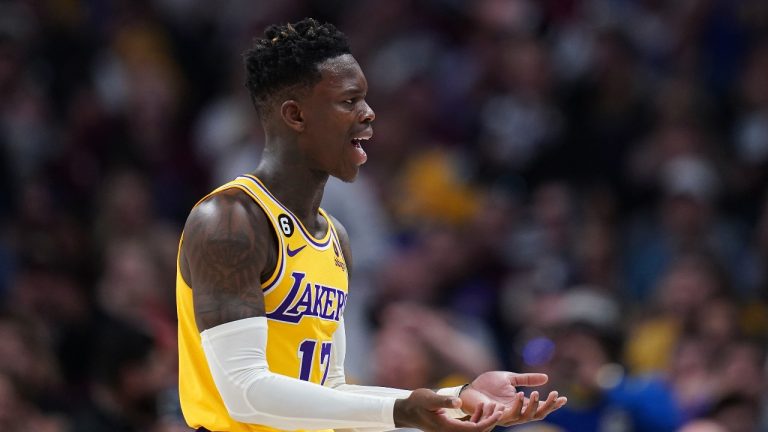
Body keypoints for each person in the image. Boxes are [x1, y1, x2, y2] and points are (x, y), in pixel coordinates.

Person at [176, 17, 567, 432]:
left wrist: (454, 400)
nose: (369, 113)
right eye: (349, 101)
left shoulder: (334, 238)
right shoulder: (230, 221)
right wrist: (404, 410)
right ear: (295, 115)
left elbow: (333, 393)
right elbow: (244, 394)